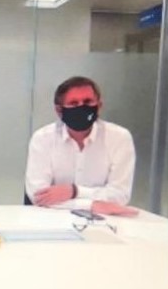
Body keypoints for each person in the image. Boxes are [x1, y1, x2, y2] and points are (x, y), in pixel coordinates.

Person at [24, 76, 136, 215]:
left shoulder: (119, 138)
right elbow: (38, 195)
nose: (82, 107)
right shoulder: (43, 138)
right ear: (59, 110)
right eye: (74, 103)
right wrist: (91, 205)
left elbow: (120, 195)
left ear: (99, 106)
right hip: (51, 218)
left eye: (88, 102)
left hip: (104, 221)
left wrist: (75, 191)